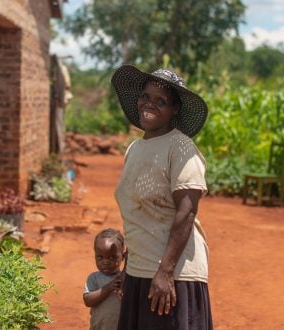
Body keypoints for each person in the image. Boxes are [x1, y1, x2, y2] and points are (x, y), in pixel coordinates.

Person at [111, 65, 212, 329]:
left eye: (160, 101)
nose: (149, 104)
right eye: (145, 96)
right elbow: (139, 214)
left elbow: (187, 211)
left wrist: (165, 272)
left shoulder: (181, 148)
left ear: (174, 109)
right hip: (140, 270)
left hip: (173, 274)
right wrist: (128, 264)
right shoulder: (135, 148)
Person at [83, 228, 126, 330]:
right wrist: (108, 288)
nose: (105, 262)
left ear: (123, 257)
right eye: (100, 257)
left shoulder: (125, 280)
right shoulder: (94, 278)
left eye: (112, 257)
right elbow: (87, 300)